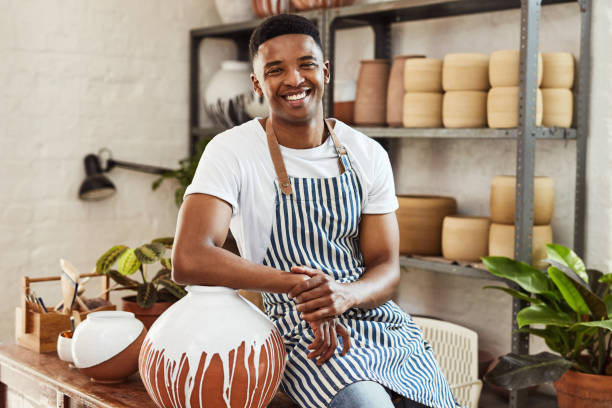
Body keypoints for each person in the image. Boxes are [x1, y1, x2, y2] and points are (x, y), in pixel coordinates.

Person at [172, 13, 458, 408]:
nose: (294, 79)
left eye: (306, 64)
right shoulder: (232, 151)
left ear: (324, 71)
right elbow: (189, 257)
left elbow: (386, 268)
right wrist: (302, 288)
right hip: (295, 330)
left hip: (373, 320)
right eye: (275, 70)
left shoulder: (367, 153)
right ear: (257, 83)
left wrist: (344, 295)